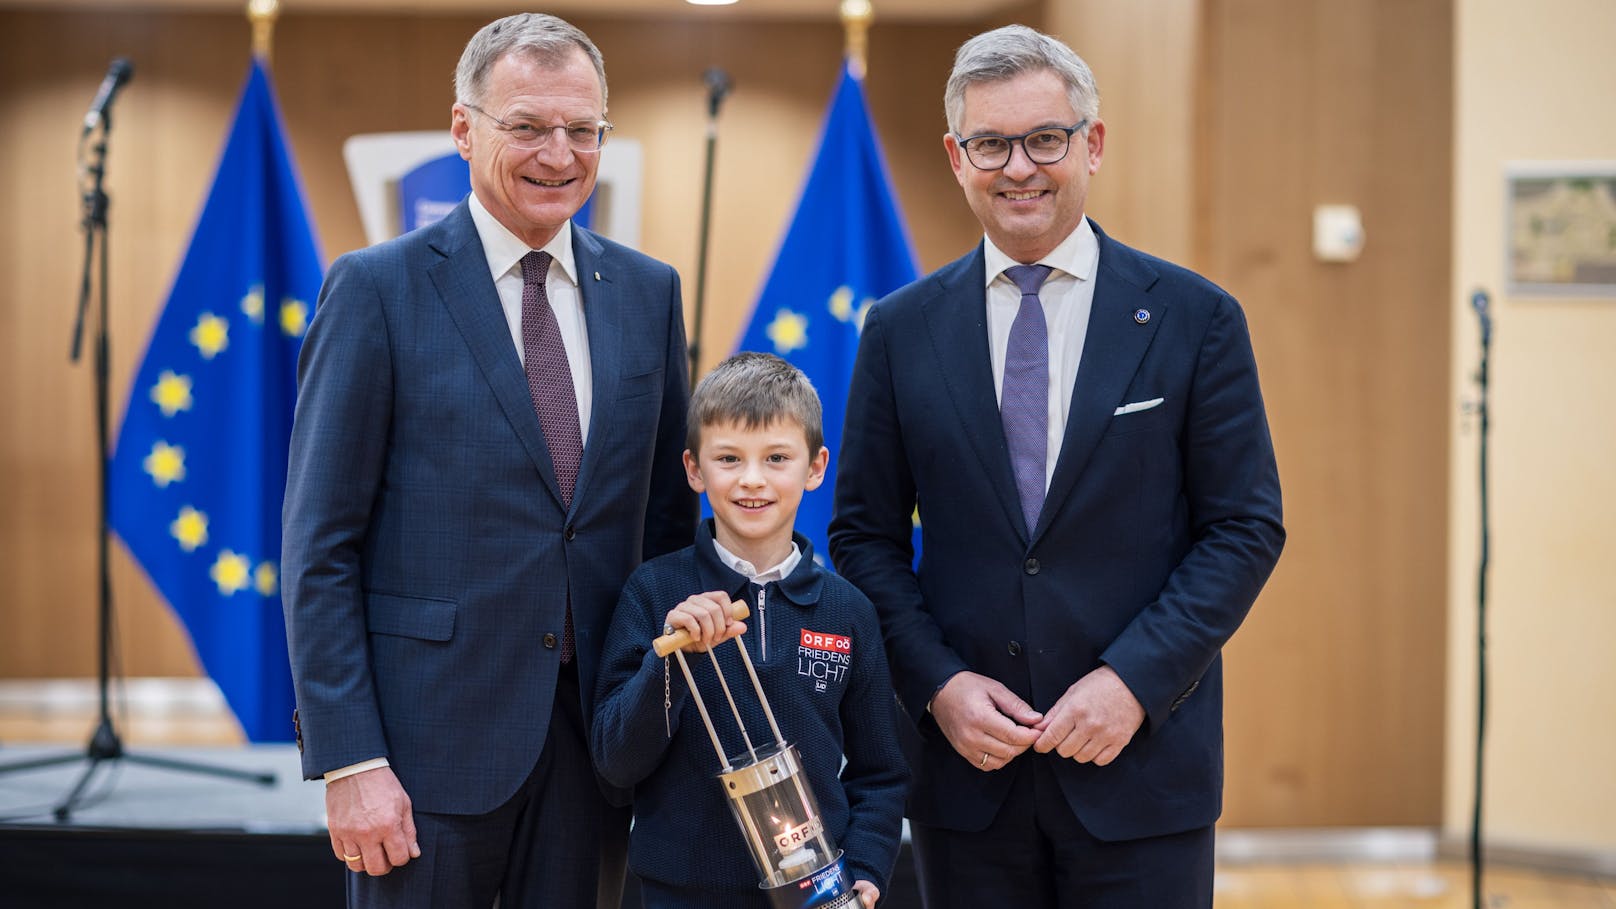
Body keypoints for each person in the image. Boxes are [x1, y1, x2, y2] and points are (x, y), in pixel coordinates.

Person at [828, 24, 1285, 908]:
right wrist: (940, 685)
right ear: (958, 158)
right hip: (969, 780)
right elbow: (864, 536)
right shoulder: (898, 329)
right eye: (992, 144)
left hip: (1143, 772)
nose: (1019, 168)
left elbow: (1244, 528)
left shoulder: (1197, 319)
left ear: (1093, 144)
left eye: (1045, 138)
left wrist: (1132, 682)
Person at [281, 13, 695, 908]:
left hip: (597, 753)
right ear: (464, 129)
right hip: (424, 755)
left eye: (583, 130)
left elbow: (661, 527)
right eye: (529, 126)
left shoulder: (649, 293)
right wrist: (350, 758)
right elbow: (320, 545)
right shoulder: (376, 288)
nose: (560, 152)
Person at [592, 352, 907, 909]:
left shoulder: (848, 611)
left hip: (817, 894)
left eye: (777, 457)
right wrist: (670, 661)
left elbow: (880, 772)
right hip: (678, 892)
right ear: (694, 469)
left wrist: (865, 867)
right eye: (729, 459)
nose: (753, 480)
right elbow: (615, 761)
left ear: (815, 468)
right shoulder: (653, 592)